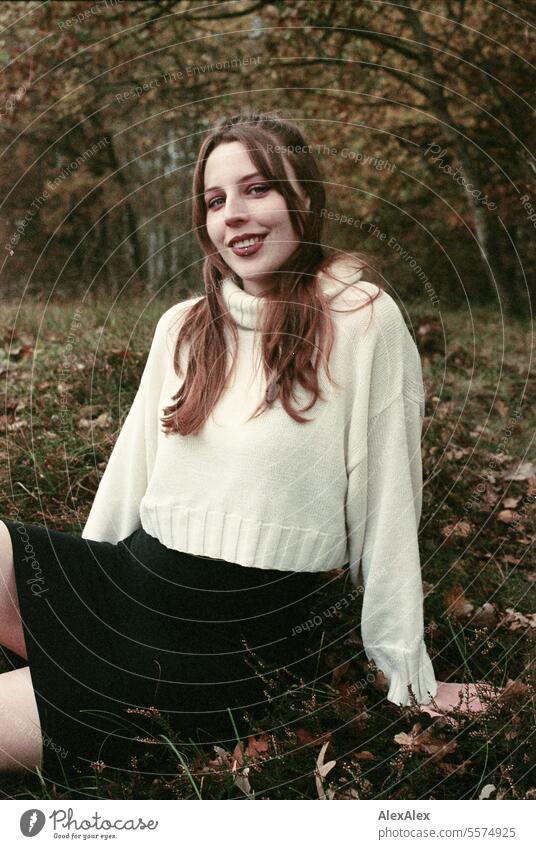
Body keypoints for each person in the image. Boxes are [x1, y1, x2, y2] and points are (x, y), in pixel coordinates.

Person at [0, 111, 488, 783]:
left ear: (304, 197)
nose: (234, 213)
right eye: (215, 199)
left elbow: (388, 510)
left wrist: (407, 676)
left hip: (211, 657)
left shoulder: (363, 320)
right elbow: (125, 483)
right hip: (128, 587)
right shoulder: (184, 325)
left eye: (257, 188)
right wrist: (72, 620)